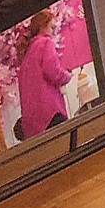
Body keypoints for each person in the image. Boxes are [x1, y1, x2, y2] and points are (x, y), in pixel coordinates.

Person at [15, 10, 71, 141]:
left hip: (33, 122)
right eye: (52, 27)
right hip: (50, 112)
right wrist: (66, 76)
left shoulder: (27, 54)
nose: (53, 32)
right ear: (42, 26)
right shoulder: (45, 43)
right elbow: (53, 71)